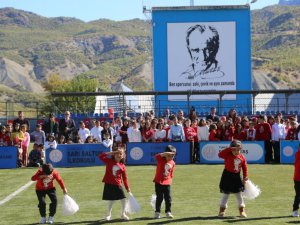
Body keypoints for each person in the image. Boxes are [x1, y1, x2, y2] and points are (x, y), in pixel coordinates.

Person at [98, 147, 131, 221]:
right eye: (117, 153)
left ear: (123, 155)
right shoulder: (109, 161)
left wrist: (127, 187)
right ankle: (108, 215)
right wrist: (112, 152)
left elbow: (125, 178)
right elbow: (100, 156)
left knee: (123, 200)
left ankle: (123, 214)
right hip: (109, 183)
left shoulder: (122, 166)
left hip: (118, 185)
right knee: (111, 201)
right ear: (114, 154)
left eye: (120, 153)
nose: (119, 155)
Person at [218, 140, 248, 218]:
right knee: (226, 194)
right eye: (234, 150)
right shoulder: (227, 155)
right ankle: (222, 210)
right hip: (227, 176)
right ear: (231, 149)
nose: (236, 151)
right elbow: (220, 154)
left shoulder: (242, 157)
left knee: (238, 194)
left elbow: (245, 168)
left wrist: (245, 177)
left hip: (237, 177)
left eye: (238, 150)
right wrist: (229, 148)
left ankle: (242, 211)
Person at [153, 145, 176, 219]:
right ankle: (157, 212)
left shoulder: (172, 162)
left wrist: (170, 180)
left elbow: (171, 173)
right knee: (159, 198)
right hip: (158, 181)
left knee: (168, 198)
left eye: (173, 155)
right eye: (169, 155)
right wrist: (165, 153)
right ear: (165, 154)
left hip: (167, 182)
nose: (171, 157)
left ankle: (168, 212)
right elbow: (156, 156)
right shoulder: (160, 159)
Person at [292, 144, 300, 217]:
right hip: (298, 178)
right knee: (298, 195)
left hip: (297, 177)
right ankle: (295, 210)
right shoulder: (298, 154)